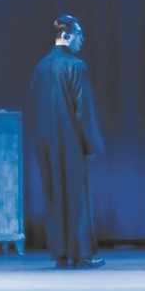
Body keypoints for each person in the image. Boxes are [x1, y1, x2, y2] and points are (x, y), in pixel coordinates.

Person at [29, 15, 105, 270]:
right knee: (76, 195)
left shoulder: (40, 67)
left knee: (54, 194)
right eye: (79, 34)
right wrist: (91, 143)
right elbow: (83, 109)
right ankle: (82, 254)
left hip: (45, 141)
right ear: (67, 35)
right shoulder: (76, 66)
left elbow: (34, 104)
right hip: (70, 138)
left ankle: (60, 253)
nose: (82, 39)